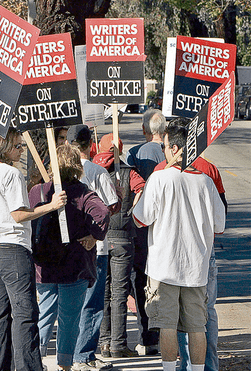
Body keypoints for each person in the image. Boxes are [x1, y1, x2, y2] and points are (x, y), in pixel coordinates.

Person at [0, 127, 67, 371]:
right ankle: (28, 367)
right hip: (13, 246)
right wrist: (51, 206)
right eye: (18, 146)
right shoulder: (11, 173)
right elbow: (19, 214)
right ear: (4, 147)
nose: (21, 150)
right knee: (24, 312)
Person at [132, 124, 226, 371]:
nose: (163, 151)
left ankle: (169, 369)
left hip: (164, 268)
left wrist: (137, 199)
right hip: (197, 268)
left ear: (174, 148)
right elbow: (220, 225)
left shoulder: (159, 178)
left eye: (164, 146)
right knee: (197, 326)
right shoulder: (206, 182)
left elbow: (141, 219)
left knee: (167, 325)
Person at [32, 144, 111, 371]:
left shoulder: (38, 191)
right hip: (74, 265)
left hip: (43, 265)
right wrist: (94, 236)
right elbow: (103, 213)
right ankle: (64, 365)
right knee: (69, 319)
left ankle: (34, 360)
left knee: (44, 315)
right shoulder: (83, 192)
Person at [65, 125, 119, 371]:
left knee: (70, 302)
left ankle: (72, 354)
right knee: (92, 302)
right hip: (95, 246)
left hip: (66, 246)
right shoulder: (97, 171)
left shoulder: (58, 171)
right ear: (90, 145)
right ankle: (83, 355)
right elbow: (110, 207)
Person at [93, 134, 145, 358]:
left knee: (103, 293)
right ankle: (118, 344)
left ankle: (103, 342)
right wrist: (131, 212)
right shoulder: (129, 172)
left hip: (100, 238)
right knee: (120, 293)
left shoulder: (93, 170)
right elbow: (142, 189)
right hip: (123, 237)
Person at [123, 109, 166, 356]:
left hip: (141, 228)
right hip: (167, 228)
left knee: (141, 280)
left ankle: (148, 336)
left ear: (144, 131)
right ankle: (169, 335)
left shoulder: (133, 154)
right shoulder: (177, 154)